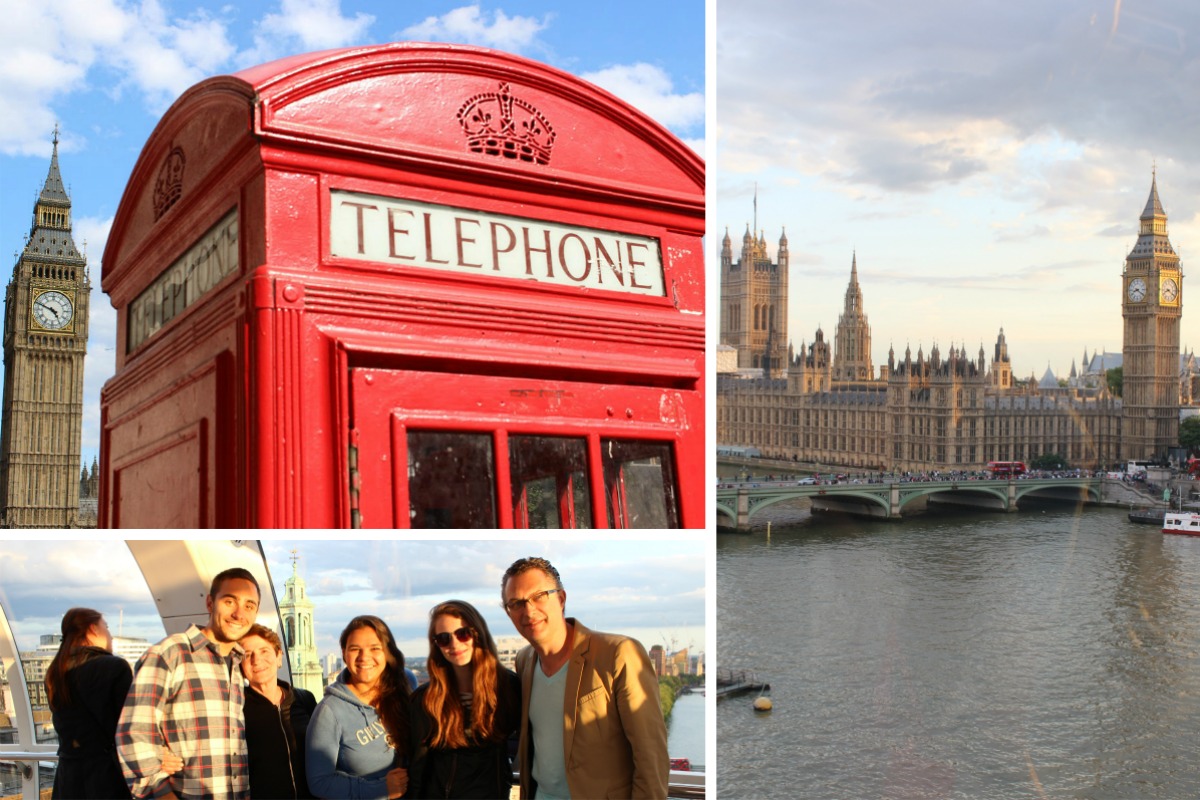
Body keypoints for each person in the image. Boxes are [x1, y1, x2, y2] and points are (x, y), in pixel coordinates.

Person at [502, 557, 668, 800]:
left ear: (561, 599)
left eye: (539, 596)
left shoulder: (618, 653)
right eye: (516, 603)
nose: (528, 610)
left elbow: (650, 757)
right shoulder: (525, 660)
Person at [117, 567, 261, 800]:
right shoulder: (170, 653)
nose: (238, 613)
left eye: (249, 605)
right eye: (229, 601)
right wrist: (162, 794)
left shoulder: (236, 664)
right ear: (210, 603)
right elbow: (133, 734)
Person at [47, 608, 179, 799]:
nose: (110, 635)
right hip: (106, 780)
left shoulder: (56, 672)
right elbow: (129, 727)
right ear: (93, 629)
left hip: (68, 779)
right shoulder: (112, 667)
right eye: (106, 627)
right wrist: (157, 755)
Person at [409, 600, 521, 799]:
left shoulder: (508, 687)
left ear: (478, 634)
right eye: (444, 638)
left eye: (463, 634)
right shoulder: (426, 699)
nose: (455, 644)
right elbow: (417, 768)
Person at [307, 615, 411, 799]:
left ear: (387, 652)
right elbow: (320, 782)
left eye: (375, 648)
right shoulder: (330, 711)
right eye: (355, 649)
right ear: (344, 654)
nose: (364, 657)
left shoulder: (405, 685)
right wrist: (381, 789)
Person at [241, 623, 317, 799]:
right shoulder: (236, 709)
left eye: (264, 651)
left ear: (279, 657)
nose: (256, 660)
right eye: (247, 655)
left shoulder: (305, 699)